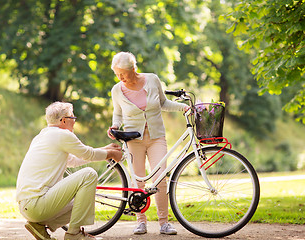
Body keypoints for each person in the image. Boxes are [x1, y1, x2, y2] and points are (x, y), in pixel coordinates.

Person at [107, 52, 190, 235]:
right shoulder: (117, 90)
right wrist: (114, 125)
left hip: (156, 137)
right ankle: (141, 222)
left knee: (160, 179)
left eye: (123, 74)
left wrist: (183, 107)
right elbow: (118, 113)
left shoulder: (152, 80)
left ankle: (164, 223)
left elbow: (163, 103)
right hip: (133, 139)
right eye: (117, 74)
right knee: (138, 181)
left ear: (133, 69)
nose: (120, 78)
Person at [16, 101, 122, 240]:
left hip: (29, 205)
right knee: (89, 174)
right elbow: (87, 154)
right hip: (37, 203)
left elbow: (73, 160)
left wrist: (105, 149)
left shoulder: (42, 136)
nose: (74, 121)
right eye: (73, 117)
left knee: (82, 203)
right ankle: (74, 234)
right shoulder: (62, 135)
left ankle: (39, 226)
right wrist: (110, 154)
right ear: (64, 120)